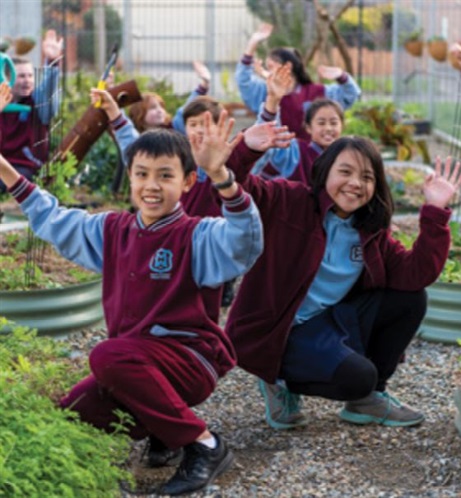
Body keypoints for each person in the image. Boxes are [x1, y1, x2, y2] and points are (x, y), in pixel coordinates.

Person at [0, 112, 264, 496]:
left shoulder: (197, 236)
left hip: (189, 360)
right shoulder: (112, 231)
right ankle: (165, 429)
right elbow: (53, 218)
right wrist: (5, 168)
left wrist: (223, 178)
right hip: (135, 362)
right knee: (73, 413)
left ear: (189, 181)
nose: (151, 185)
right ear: (130, 179)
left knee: (107, 356)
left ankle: (204, 445)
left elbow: (245, 241)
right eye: (141, 174)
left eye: (165, 175)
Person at [224, 136, 461, 431]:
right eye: (345, 172)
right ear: (325, 172)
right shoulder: (289, 202)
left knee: (411, 298)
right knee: (357, 378)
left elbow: (416, 273)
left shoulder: (369, 230)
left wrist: (435, 213)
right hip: (278, 331)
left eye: (367, 176)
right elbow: (236, 186)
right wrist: (248, 148)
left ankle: (369, 399)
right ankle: (278, 380)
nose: (355, 183)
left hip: (327, 322)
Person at [93, 87, 293, 310]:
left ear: (220, 129)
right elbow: (133, 148)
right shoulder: (176, 160)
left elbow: (252, 143)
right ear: (184, 127)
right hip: (174, 238)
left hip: (210, 243)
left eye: (206, 124)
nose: (199, 130)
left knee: (203, 300)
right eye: (193, 124)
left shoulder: (224, 160)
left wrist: (271, 104)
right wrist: (113, 110)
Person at [235, 23, 360, 141]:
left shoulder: (317, 92)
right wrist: (252, 45)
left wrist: (342, 76)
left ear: (287, 67)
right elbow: (243, 81)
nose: (267, 71)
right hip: (279, 159)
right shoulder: (266, 93)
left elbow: (350, 95)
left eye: (270, 66)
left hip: (313, 158)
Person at [252, 65, 344, 184]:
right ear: (308, 128)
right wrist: (273, 101)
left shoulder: (345, 155)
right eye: (321, 123)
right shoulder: (296, 153)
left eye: (334, 123)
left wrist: (342, 76)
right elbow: (270, 133)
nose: (328, 128)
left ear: (342, 125)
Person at [0, 29, 63, 192]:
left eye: (30, 75)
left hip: (26, 168)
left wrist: (52, 62)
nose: (27, 81)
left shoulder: (37, 102)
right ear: (7, 79)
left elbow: (48, 91)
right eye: (21, 76)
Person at [128, 60, 212, 134]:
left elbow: (187, 109)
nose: (159, 110)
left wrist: (204, 83)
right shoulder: (135, 138)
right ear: (139, 113)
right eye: (152, 107)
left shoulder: (174, 128)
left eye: (161, 106)